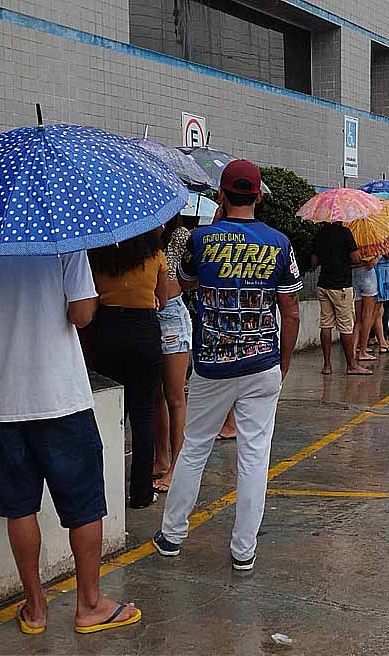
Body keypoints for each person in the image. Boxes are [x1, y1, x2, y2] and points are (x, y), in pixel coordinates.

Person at [0, 251, 140, 635]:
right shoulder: (65, 238)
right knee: (84, 503)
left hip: (8, 399)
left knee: (20, 504)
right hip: (62, 396)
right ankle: (90, 605)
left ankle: (36, 606)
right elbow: (81, 314)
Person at [154, 159, 301, 572]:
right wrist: (283, 362)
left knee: (195, 447)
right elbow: (290, 311)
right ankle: (242, 550)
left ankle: (172, 535)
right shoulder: (279, 244)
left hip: (212, 366)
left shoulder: (200, 241)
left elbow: (175, 288)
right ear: (257, 196)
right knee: (254, 456)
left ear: (221, 195)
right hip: (262, 364)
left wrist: (213, 231)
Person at [83, 230, 168, 510]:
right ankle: (141, 494)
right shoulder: (156, 256)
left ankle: (105, 490)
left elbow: (91, 302)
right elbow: (163, 299)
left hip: (109, 333)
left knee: (112, 416)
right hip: (144, 332)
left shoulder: (100, 256)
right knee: (143, 416)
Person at [153, 217, 192, 495]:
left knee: (175, 396)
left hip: (170, 316)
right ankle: (161, 457)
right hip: (146, 314)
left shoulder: (179, 235)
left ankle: (176, 464)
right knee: (156, 395)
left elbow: (181, 282)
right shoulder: (140, 234)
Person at [311, 221, 370, 376]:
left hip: (323, 284)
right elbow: (356, 258)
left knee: (326, 324)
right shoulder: (345, 233)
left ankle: (327, 365)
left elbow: (314, 261)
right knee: (346, 326)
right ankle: (351, 365)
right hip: (341, 286)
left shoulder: (321, 233)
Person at [352, 251, 381, 363]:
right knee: (367, 316)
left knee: (357, 318)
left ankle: (353, 350)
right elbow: (371, 264)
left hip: (354, 276)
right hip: (368, 277)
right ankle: (363, 351)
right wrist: (378, 255)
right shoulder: (370, 243)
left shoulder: (355, 240)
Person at [372, 250, 389, 352]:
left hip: (374, 273)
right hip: (381, 274)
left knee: (378, 311)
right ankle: (379, 341)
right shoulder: (380, 239)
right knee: (377, 312)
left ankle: (380, 340)